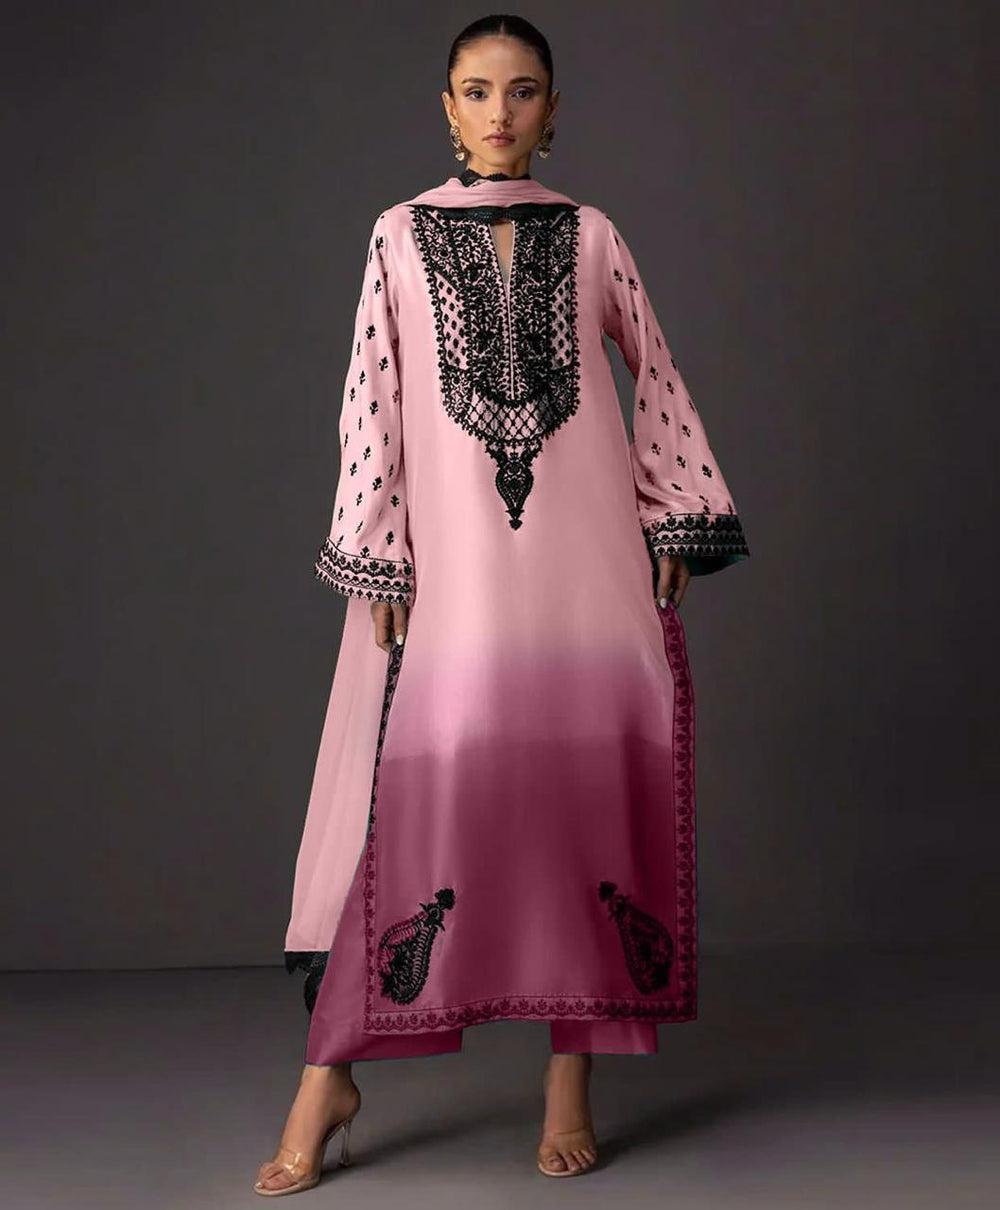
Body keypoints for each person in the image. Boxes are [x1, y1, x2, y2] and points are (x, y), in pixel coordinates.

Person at [255, 12, 750, 1195]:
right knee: (415, 811)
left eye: (522, 91)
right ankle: (329, 1077)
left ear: (552, 110)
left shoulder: (592, 234)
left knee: (582, 804)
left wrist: (672, 514)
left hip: (586, 570)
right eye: (476, 91)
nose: (498, 113)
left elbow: (654, 373)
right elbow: (371, 400)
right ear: (446, 108)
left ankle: (570, 1078)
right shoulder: (397, 234)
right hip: (455, 572)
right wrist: (378, 553)